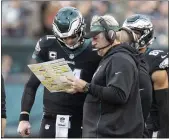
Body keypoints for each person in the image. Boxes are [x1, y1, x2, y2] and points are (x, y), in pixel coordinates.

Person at [17, 7, 101, 138]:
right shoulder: (48, 44)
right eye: (64, 38)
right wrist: (24, 117)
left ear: (81, 29)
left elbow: (104, 88)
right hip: (51, 118)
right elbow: (31, 85)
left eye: (72, 36)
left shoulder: (95, 49)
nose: (69, 41)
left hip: (83, 120)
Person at [65, 14, 144, 137]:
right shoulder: (111, 58)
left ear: (111, 35)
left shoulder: (120, 59)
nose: (93, 43)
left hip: (111, 134)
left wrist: (86, 87)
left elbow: (118, 94)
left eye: (96, 38)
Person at [122, 14, 169, 138]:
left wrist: (163, 134)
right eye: (127, 32)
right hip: (125, 124)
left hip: (149, 127)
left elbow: (164, 107)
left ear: (145, 34)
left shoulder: (155, 61)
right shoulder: (119, 57)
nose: (129, 37)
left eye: (134, 32)